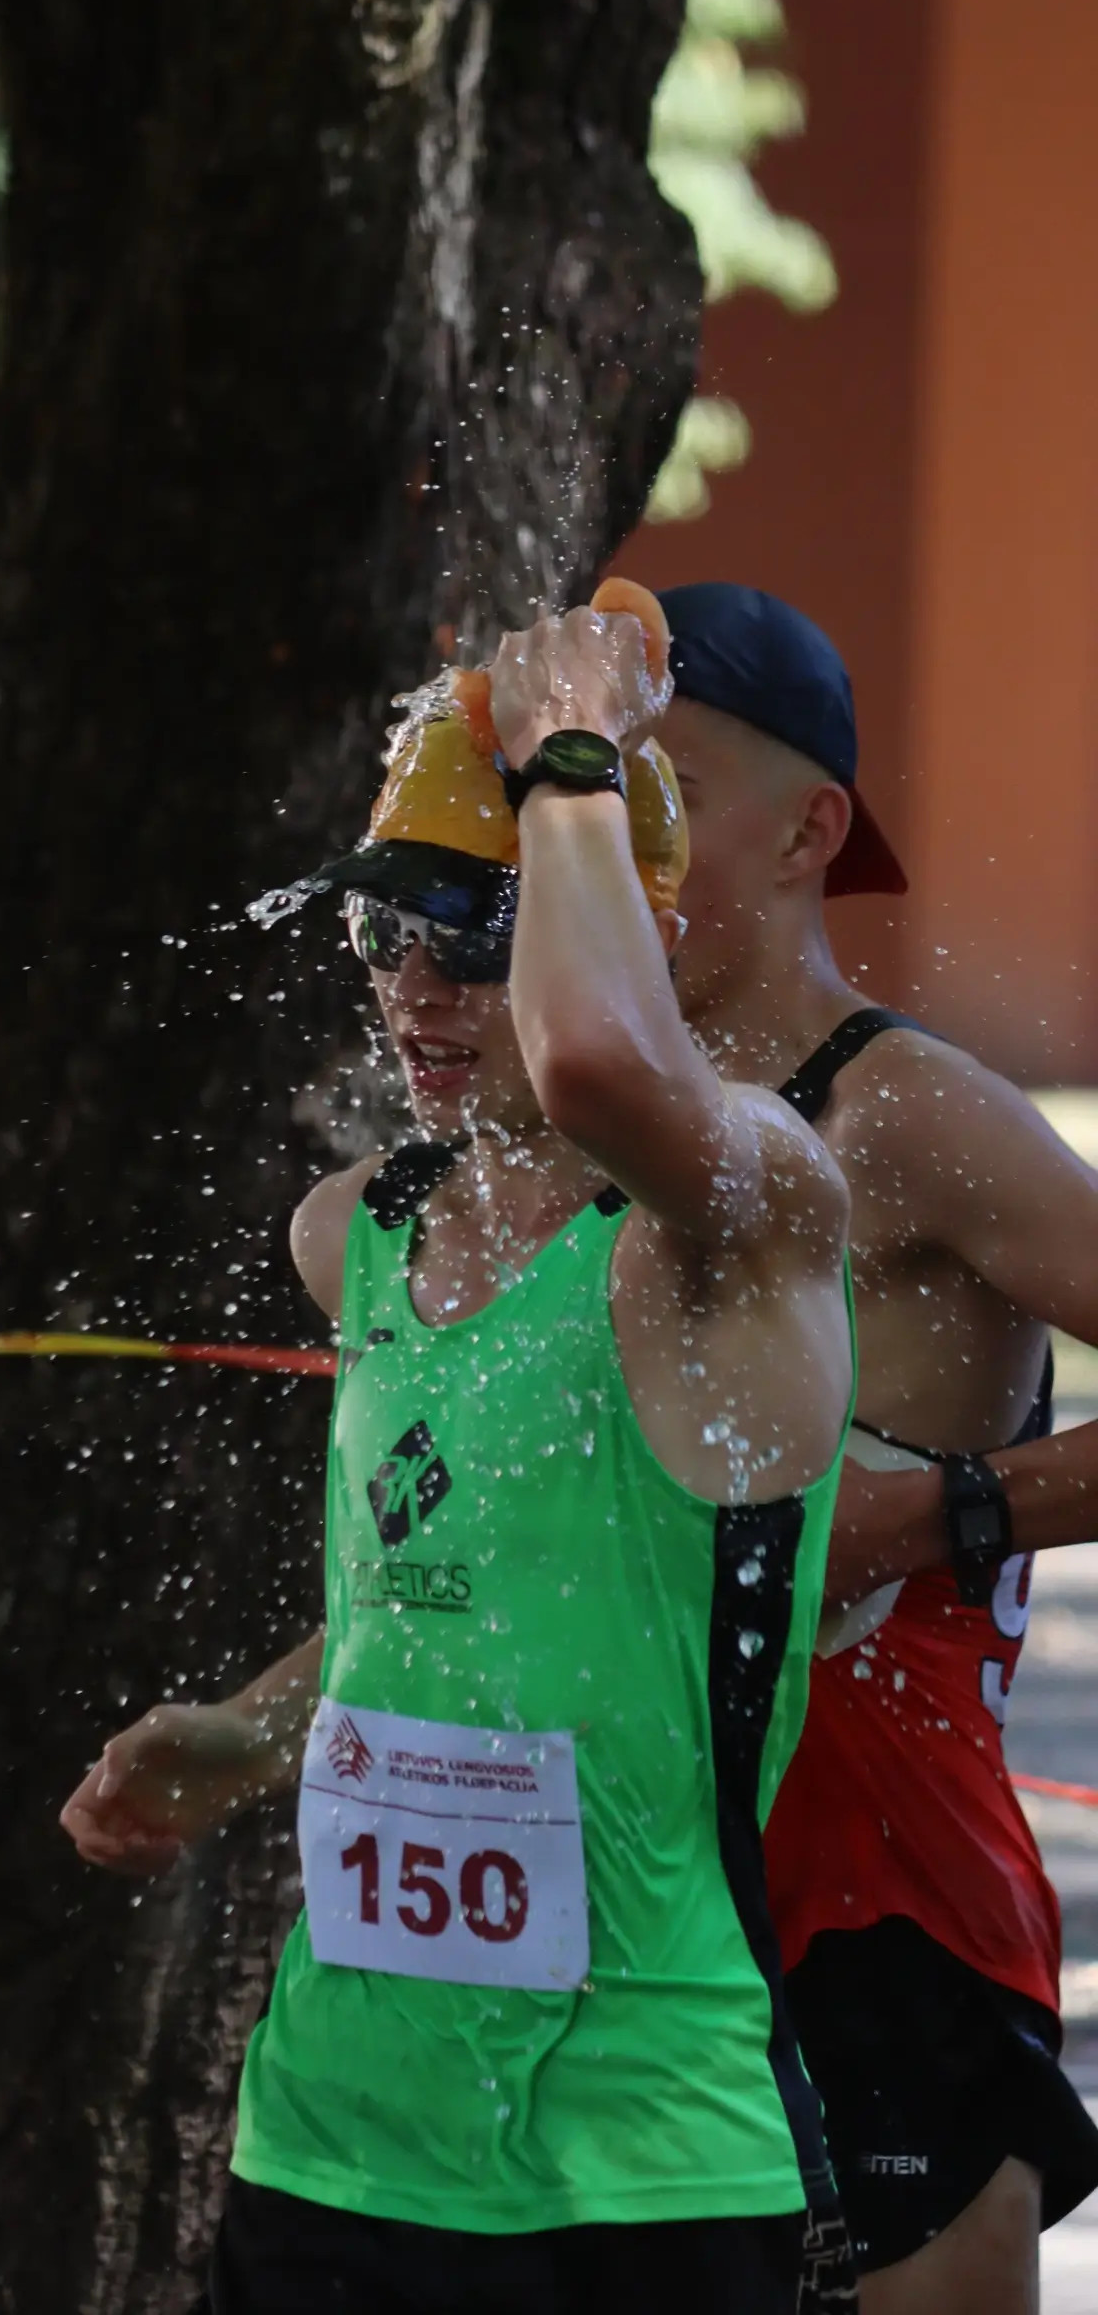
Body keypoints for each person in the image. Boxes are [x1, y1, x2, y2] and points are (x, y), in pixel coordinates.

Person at [66, 600, 858, 2313]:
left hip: (641, 2165)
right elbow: (459, 1591)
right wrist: (257, 1728)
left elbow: (594, 1063)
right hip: (334, 2136)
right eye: (383, 936)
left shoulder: (737, 1220)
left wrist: (572, 748)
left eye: (473, 935)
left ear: (615, 927)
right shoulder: (357, 1235)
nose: (413, 993)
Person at [637, 583, 1098, 2315]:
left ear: (810, 829)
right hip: (635, 1919)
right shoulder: (579, 1121)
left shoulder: (894, 1108)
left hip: (885, 1920)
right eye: (593, 793)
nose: (614, 841)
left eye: (664, 789)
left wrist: (925, 1517)